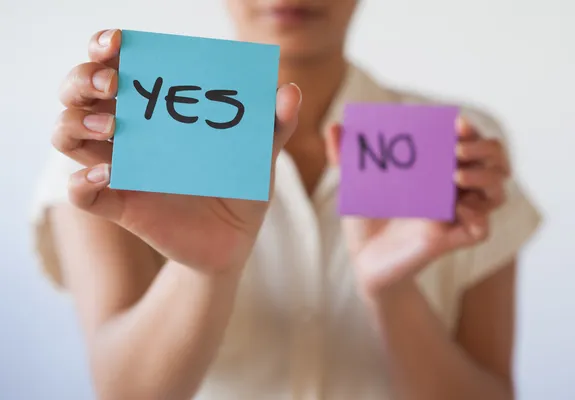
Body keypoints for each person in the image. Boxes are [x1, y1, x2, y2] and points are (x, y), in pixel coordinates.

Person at [32, 1, 541, 399]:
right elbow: (124, 392)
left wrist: (392, 291)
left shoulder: (458, 144)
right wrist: (207, 272)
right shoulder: (116, 141)